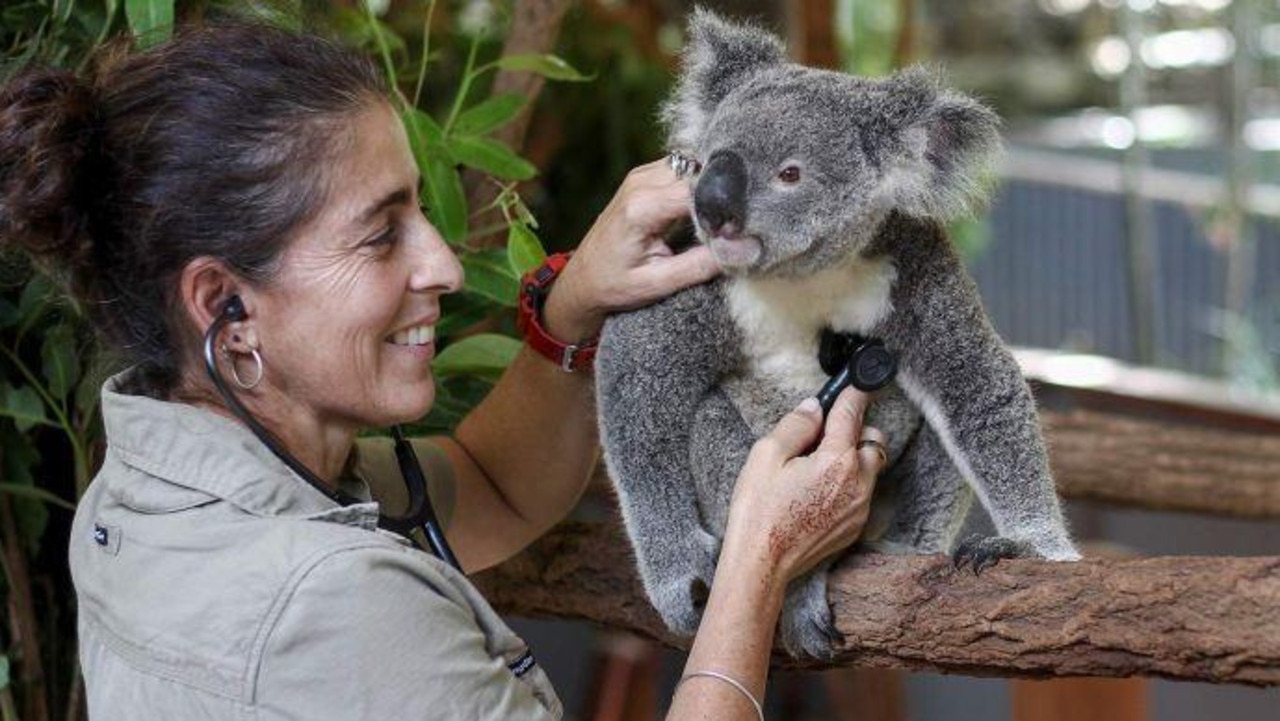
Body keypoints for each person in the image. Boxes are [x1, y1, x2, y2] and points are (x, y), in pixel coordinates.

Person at [0, 20, 886, 721]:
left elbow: (493, 488)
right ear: (225, 307)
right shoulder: (329, 606)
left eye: (420, 209)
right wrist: (759, 563)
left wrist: (569, 305)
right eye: (382, 233)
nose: (447, 265)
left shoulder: (146, 495)